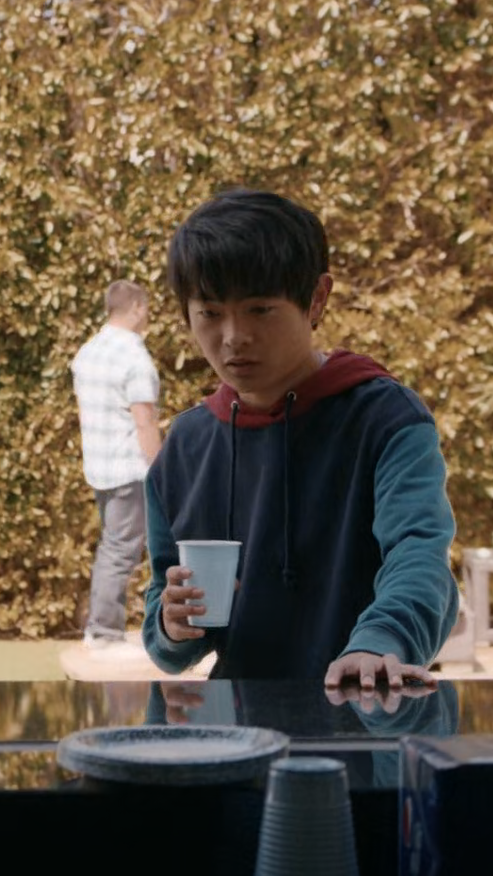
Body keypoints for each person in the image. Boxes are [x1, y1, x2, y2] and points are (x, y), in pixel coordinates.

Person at [142, 189, 458, 687]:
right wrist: (172, 625)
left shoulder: (385, 419)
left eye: (260, 309)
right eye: (210, 313)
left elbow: (418, 554)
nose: (233, 336)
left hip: (367, 709)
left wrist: (380, 642)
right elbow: (167, 632)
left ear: (316, 298)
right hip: (238, 726)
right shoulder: (186, 447)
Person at [70, 280, 162, 656]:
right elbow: (145, 422)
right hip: (129, 470)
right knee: (123, 550)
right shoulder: (134, 358)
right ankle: (104, 633)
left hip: (99, 468)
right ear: (137, 308)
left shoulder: (88, 351)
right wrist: (161, 470)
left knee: (112, 546)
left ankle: (101, 630)